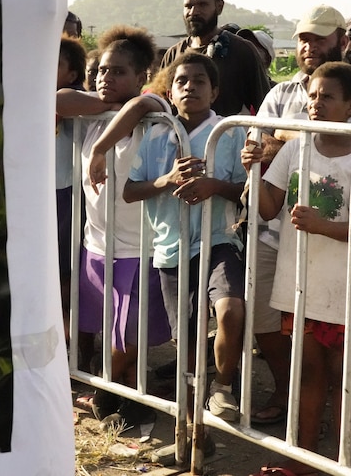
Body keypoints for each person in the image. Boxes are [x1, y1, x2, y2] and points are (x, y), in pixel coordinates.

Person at [243, 62, 351, 476]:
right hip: (301, 283)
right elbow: (269, 207)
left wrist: (319, 224)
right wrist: (252, 169)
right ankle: (305, 456)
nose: (315, 103)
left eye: (327, 97)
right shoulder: (294, 149)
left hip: (345, 287)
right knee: (307, 371)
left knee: (343, 377)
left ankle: (341, 461)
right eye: (312, 95)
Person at [124, 52, 246, 463]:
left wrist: (215, 185)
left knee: (230, 310)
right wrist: (166, 179)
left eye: (199, 81)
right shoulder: (158, 135)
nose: (189, 87)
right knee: (188, 347)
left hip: (218, 241)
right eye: (181, 81)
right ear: (170, 90)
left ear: (215, 90)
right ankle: (192, 433)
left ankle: (223, 387)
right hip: (172, 251)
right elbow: (130, 188)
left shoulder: (229, 133)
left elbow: (246, 189)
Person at [56, 25, 171, 431]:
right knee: (112, 328)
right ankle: (129, 399)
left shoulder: (154, 112)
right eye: (102, 70)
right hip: (98, 243)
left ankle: (106, 391)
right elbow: (58, 100)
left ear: (141, 76)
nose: (107, 78)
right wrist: (98, 102)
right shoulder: (94, 115)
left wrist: (103, 147)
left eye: (119, 72)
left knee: (128, 332)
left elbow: (139, 107)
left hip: (139, 245)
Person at [160, 0, 270, 116]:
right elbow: (162, 106)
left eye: (202, 5)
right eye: (188, 6)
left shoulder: (241, 50)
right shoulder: (173, 55)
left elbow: (265, 108)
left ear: (219, 7)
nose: (194, 12)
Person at [55, 35, 87, 344]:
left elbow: (61, 101)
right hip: (37, 198)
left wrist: (113, 100)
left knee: (64, 274)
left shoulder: (70, 99)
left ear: (73, 74)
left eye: (57, 63)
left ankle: (68, 345)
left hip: (63, 196)